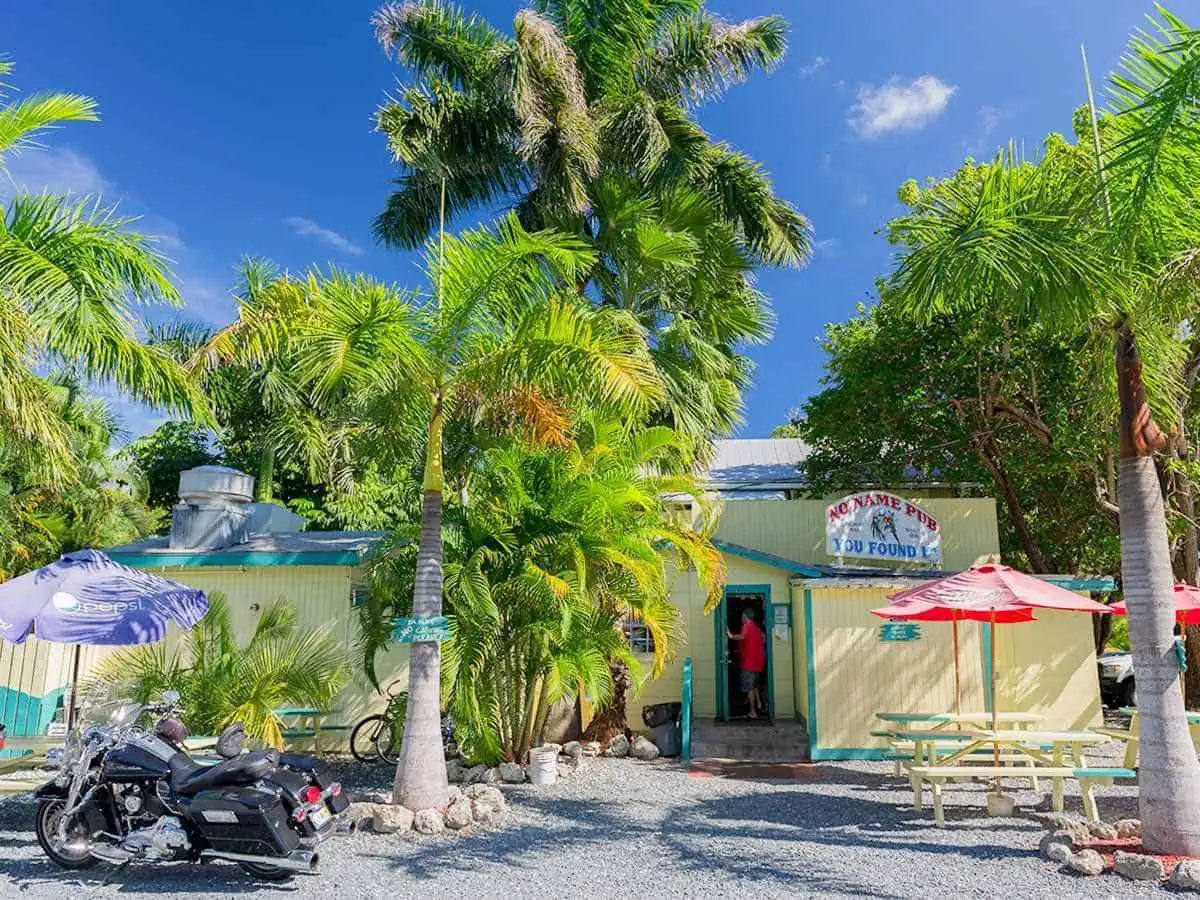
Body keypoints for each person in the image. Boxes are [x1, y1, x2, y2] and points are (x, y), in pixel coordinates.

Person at [727, 609, 766, 719]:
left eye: (742, 616)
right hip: (758, 662)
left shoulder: (747, 626)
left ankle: (752, 712)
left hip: (749, 663)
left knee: (748, 687)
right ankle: (758, 704)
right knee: (754, 685)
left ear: (745, 616)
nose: (741, 618)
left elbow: (743, 636)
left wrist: (731, 636)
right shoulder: (757, 628)